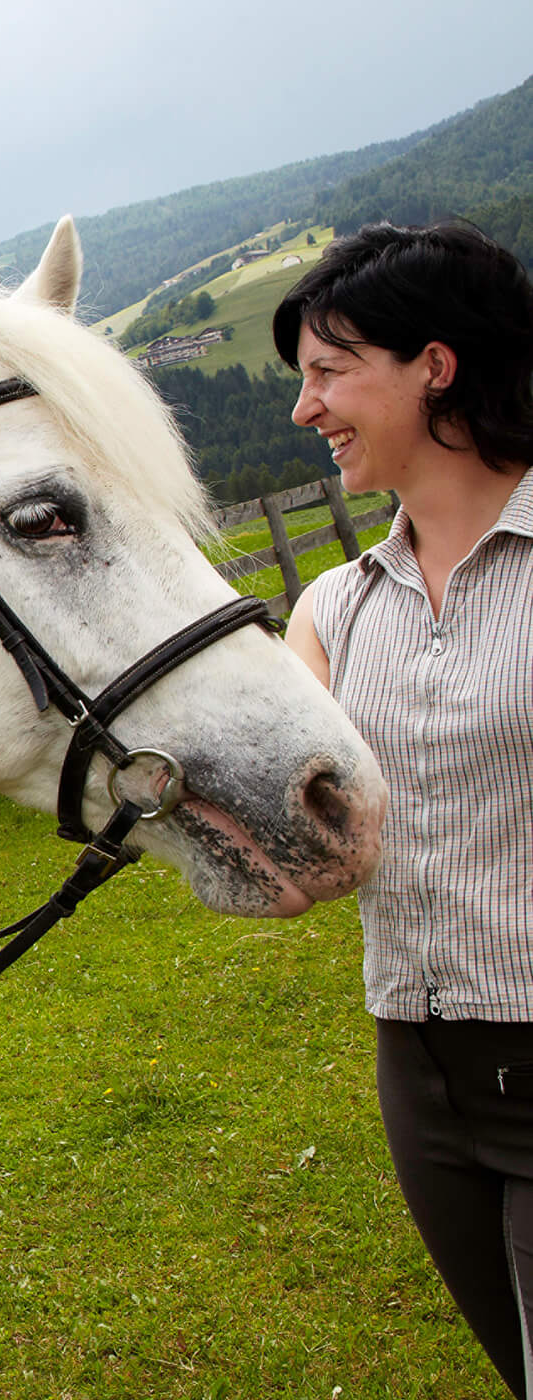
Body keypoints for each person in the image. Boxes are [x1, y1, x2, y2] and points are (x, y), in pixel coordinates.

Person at [280, 222, 533, 1396]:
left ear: (435, 364)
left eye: (330, 373)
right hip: (418, 1065)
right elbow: (298, 838)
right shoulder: (331, 610)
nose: (305, 408)